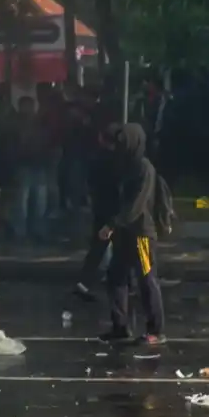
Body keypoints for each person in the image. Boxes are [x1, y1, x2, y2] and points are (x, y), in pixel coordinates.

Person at [97, 124, 167, 346]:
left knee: (146, 278)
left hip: (141, 234)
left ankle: (156, 329)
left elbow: (136, 204)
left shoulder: (144, 168)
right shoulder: (125, 165)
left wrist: (112, 224)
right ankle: (120, 326)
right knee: (116, 275)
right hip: (125, 234)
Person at [73, 123, 121, 302]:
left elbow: (90, 183)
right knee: (124, 249)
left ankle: (84, 282)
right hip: (116, 210)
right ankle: (124, 282)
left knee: (97, 248)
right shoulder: (120, 161)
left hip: (101, 207)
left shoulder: (96, 159)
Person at [10, 96, 52, 242]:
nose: (29, 109)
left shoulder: (40, 124)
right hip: (24, 165)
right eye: (26, 106)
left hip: (38, 165)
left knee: (39, 201)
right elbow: (13, 146)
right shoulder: (16, 125)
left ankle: (37, 231)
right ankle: (20, 232)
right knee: (22, 201)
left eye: (30, 106)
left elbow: (47, 143)